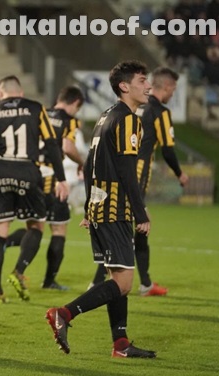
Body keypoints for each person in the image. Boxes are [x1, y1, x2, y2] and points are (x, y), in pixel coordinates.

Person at [46, 60, 157, 358]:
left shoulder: (105, 116)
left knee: (116, 278)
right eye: (143, 80)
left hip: (100, 208)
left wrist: (89, 208)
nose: (148, 86)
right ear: (125, 86)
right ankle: (64, 314)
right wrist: (140, 212)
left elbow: (89, 166)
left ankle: (120, 344)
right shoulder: (129, 119)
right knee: (123, 283)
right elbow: (125, 168)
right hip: (116, 209)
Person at [89, 67, 189, 296]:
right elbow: (168, 149)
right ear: (167, 86)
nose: (173, 92)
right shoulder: (158, 112)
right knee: (131, 226)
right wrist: (179, 173)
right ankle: (106, 284)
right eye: (173, 87)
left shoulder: (123, 112)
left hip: (111, 177)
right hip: (133, 177)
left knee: (122, 226)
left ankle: (142, 282)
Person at [0, 76, 69, 304]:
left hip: (1, 172)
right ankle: (18, 271)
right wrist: (61, 178)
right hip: (28, 171)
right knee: (36, 225)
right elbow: (52, 144)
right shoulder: (36, 109)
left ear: (0, 93)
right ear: (22, 92)